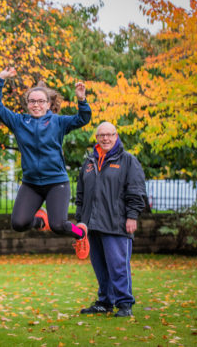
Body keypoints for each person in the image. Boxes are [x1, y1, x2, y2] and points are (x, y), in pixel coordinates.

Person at [0, 67, 92, 259]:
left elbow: (83, 119)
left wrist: (81, 99)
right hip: (31, 184)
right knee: (18, 224)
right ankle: (40, 221)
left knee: (59, 225)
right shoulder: (19, 122)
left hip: (56, 182)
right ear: (27, 104)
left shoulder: (59, 122)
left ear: (48, 104)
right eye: (32, 101)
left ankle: (81, 233)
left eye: (41, 101)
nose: (36, 105)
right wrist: (1, 78)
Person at [76, 122, 146, 317]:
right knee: (100, 267)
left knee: (118, 266)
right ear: (96, 138)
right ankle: (105, 302)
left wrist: (132, 216)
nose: (105, 138)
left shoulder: (128, 161)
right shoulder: (89, 162)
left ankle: (124, 304)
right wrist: (80, 221)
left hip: (116, 224)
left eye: (109, 134)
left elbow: (136, 191)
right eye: (101, 135)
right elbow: (80, 194)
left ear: (116, 136)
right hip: (91, 226)